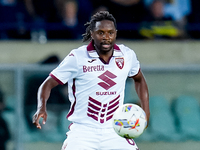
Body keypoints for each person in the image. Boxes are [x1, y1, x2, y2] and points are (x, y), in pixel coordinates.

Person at [32, 11, 150, 150]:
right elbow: (47, 84)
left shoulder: (126, 55)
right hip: (83, 132)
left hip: (115, 130)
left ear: (115, 34)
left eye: (110, 33)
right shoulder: (77, 57)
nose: (106, 37)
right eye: (101, 33)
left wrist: (145, 110)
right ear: (92, 34)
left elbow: (139, 79)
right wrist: (41, 107)